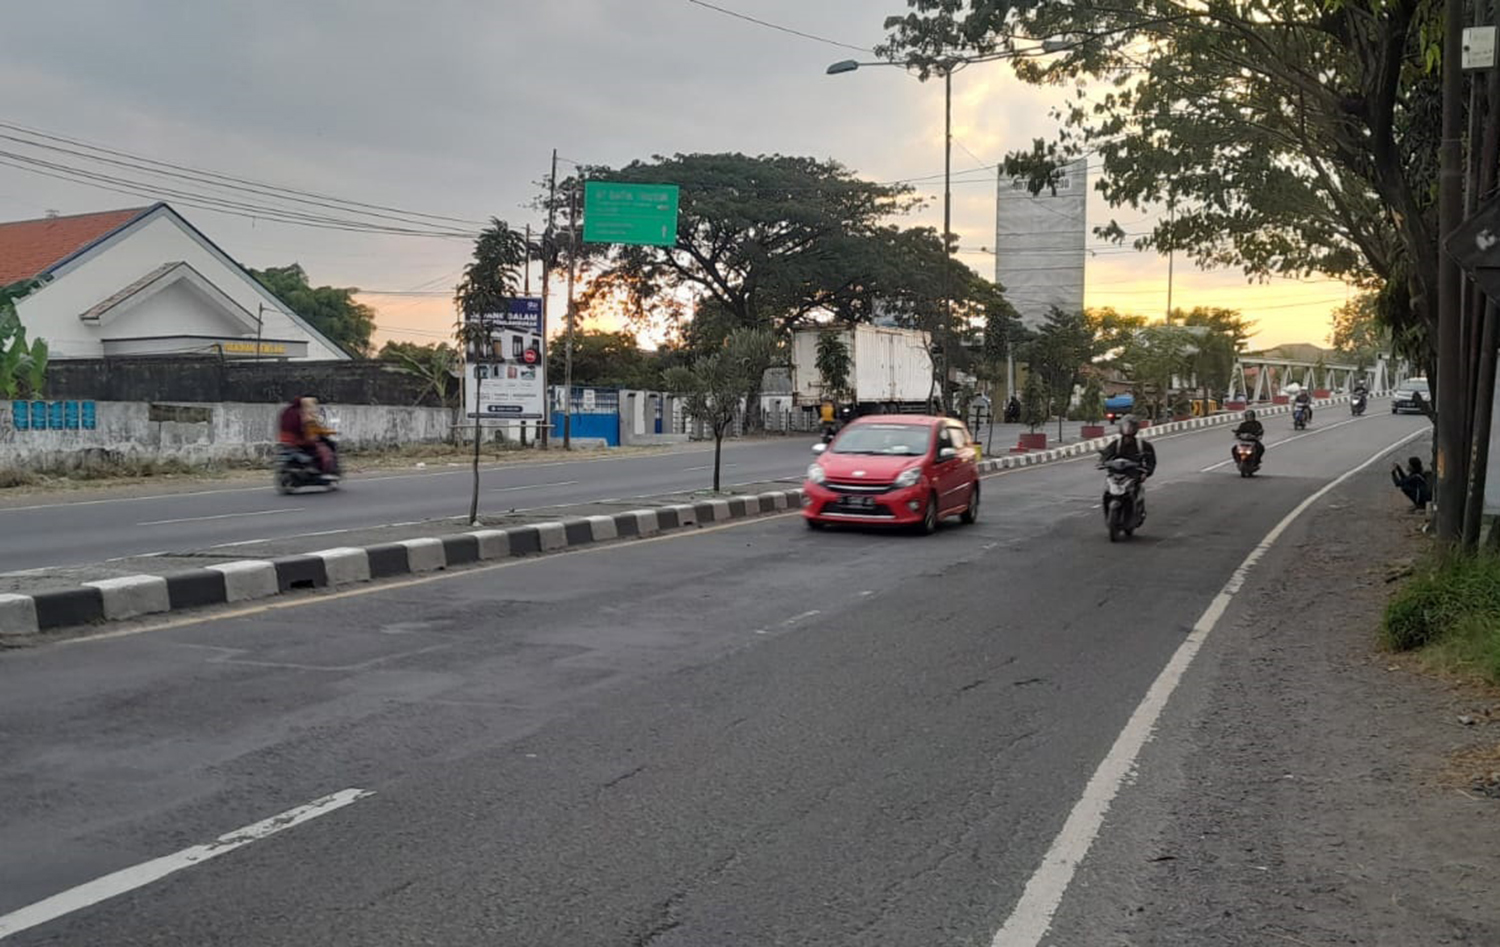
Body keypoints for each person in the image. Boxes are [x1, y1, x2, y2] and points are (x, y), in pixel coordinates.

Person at [1100, 415, 1157, 518]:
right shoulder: (1116, 444)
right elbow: (1106, 455)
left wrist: (1146, 472)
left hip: (1133, 475)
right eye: (1126, 427)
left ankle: (1137, 511)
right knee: (1107, 492)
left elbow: (1151, 461)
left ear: (1135, 429)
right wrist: (1103, 462)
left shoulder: (1143, 445)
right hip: (1116, 474)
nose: (1128, 431)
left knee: (1134, 493)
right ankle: (1108, 513)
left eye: (1130, 427)